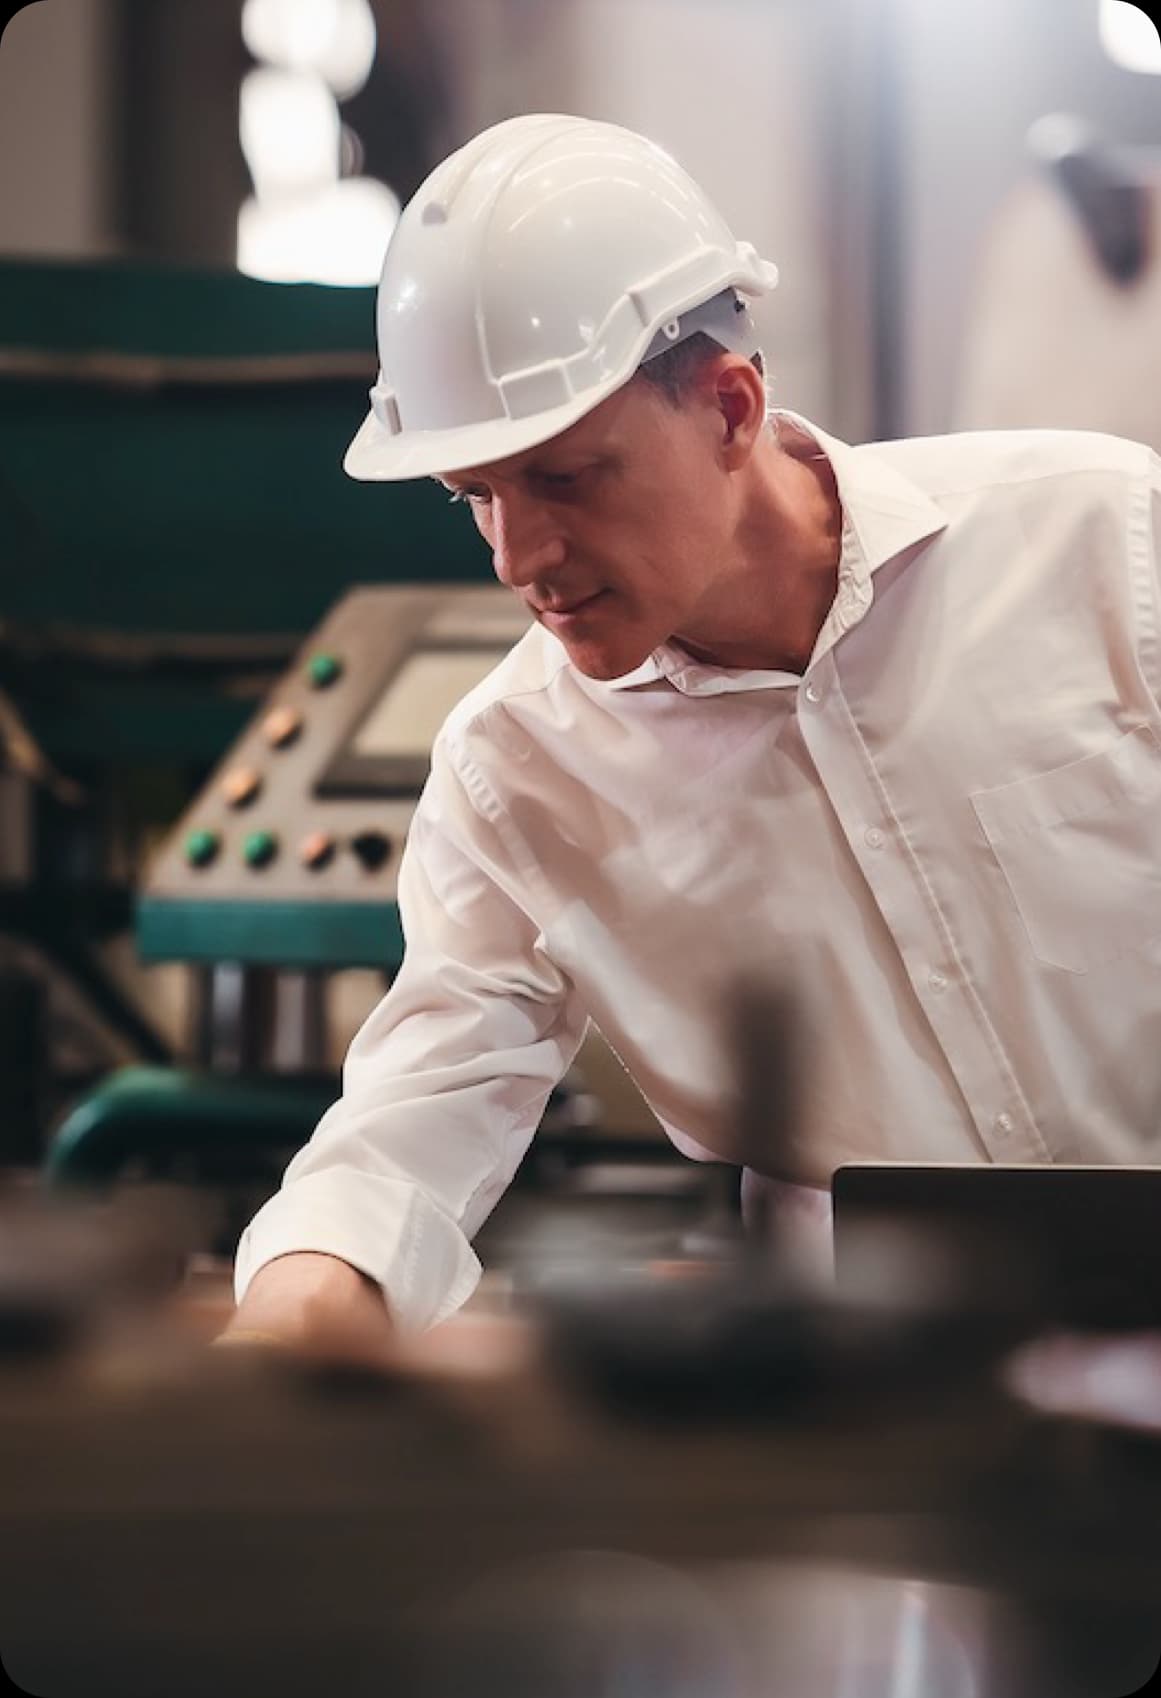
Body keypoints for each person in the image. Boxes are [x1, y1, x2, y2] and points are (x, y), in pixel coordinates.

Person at [221, 113, 1161, 1354]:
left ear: (728, 406)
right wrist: (292, 1320)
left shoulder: (1107, 548)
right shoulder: (519, 770)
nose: (520, 558)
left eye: (566, 478)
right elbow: (411, 1126)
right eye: (476, 498)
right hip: (872, 1400)